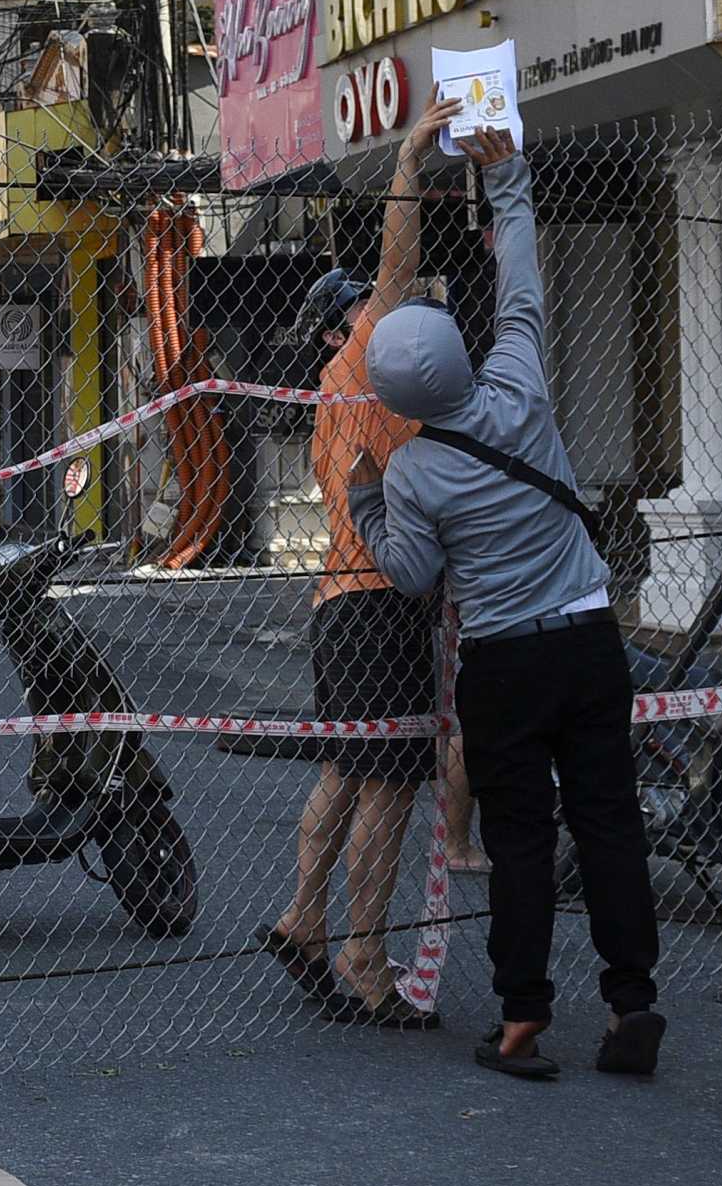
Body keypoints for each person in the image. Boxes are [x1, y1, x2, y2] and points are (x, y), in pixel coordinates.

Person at [349, 126, 665, 1082]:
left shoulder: (412, 473)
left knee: (519, 837)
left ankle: (524, 1021)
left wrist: (366, 497)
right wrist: (504, 175)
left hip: (502, 664)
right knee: (610, 818)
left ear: (398, 397)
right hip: (589, 635)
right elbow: (523, 284)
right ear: (462, 349)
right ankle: (632, 1002)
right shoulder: (521, 384)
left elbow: (410, 576)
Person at [262, 95, 462, 1031]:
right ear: (354, 319)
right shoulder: (372, 358)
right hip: (381, 599)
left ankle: (306, 917)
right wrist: (409, 168)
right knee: (387, 785)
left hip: (341, 600)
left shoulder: (336, 394)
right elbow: (400, 264)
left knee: (345, 771)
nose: (409, 306)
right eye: (379, 306)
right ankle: (365, 956)